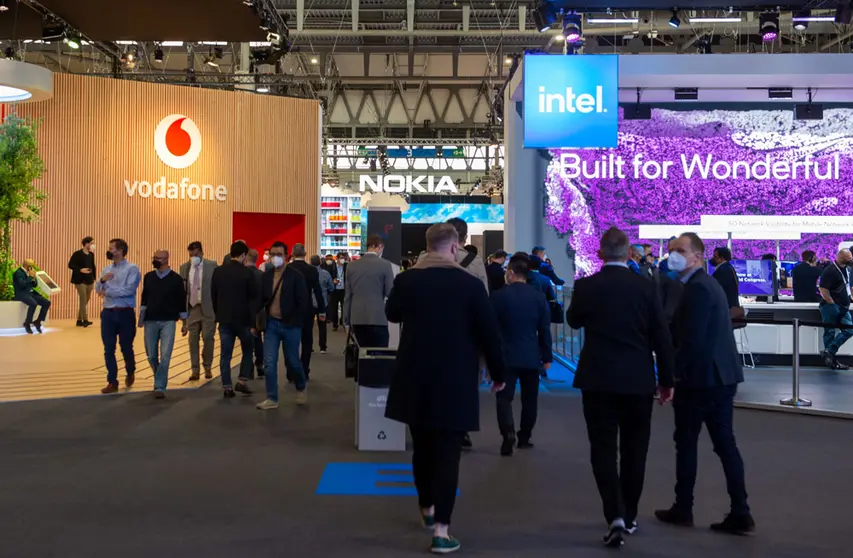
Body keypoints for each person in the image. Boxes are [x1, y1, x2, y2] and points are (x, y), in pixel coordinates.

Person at [385, 223, 506, 554]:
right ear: (455, 248)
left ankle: (426, 509)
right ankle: (442, 530)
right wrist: (498, 373)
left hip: (414, 374)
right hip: (455, 378)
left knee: (422, 448)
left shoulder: (407, 280)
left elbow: (391, 312)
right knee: (448, 455)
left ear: (427, 247)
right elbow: (489, 333)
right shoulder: (469, 285)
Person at [568, 227, 676, 548]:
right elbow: (661, 337)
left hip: (597, 378)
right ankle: (629, 516)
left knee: (602, 447)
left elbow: (573, 320)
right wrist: (667, 380)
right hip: (637, 380)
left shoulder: (586, 286)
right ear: (630, 253)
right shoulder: (646, 287)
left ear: (600, 254)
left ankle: (614, 514)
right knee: (635, 449)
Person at [655, 232, 754, 535]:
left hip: (701, 381)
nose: (673, 255)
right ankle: (740, 510)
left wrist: (670, 378)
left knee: (687, 443)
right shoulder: (706, 285)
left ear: (697, 256)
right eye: (672, 250)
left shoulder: (697, 288)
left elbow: (692, 341)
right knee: (724, 445)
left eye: (680, 250)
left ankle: (684, 507)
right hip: (721, 377)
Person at [490, 253, 552, 456]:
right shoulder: (538, 297)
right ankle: (525, 437)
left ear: (511, 273)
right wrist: (547, 356)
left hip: (505, 355)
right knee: (530, 398)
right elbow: (544, 329)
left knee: (504, 397)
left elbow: (491, 329)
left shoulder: (499, 296)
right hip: (530, 354)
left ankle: (507, 432)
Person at [256, 241, 310, 410]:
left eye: (279, 254)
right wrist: (255, 323)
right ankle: (271, 397)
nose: (275, 257)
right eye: (272, 254)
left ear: (287, 256)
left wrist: (297, 321)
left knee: (292, 360)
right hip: (271, 324)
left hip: (291, 325)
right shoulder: (266, 276)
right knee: (269, 362)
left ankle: (301, 386)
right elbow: (260, 300)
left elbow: (303, 301)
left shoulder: (296, 276)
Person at [139, 250, 187, 399]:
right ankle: (159, 376)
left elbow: (181, 301)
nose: (156, 261)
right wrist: (141, 318)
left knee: (165, 354)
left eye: (158, 258)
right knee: (151, 355)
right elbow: (144, 298)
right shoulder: (149, 277)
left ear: (166, 259)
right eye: (154, 258)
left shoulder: (176, 279)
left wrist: (185, 322)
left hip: (169, 320)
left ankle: (159, 385)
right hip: (150, 320)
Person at [210, 241, 256, 398]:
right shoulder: (248, 273)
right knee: (248, 349)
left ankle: (227, 386)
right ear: (243, 255)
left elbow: (213, 296)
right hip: (243, 320)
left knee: (225, 354)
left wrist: (219, 313)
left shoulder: (218, 272)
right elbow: (252, 299)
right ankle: (242, 380)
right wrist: (252, 322)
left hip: (224, 319)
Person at [97, 239, 142, 394]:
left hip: (125, 312)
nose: (109, 251)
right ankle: (112, 381)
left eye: (112, 248)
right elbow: (98, 288)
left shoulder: (132, 269)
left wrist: (108, 292)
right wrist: (102, 281)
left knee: (126, 346)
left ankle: (130, 370)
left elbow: (129, 290)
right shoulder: (106, 269)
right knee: (108, 348)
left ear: (121, 250)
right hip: (108, 313)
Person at [344, 235, 395, 348]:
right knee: (379, 356)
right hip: (378, 317)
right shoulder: (385, 265)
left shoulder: (351, 266)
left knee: (361, 356)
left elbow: (348, 296)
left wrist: (346, 320)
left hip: (357, 317)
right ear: (380, 247)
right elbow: (389, 292)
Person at [180, 242, 218, 381]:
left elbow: (217, 288)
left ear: (202, 252)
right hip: (192, 308)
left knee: (208, 338)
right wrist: (183, 316)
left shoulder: (212, 265)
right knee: (192, 340)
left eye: (196, 255)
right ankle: (194, 369)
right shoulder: (184, 268)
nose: (193, 257)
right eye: (191, 255)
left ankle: (207, 366)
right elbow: (183, 292)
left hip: (208, 308)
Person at [288, 244, 326, 379]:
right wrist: (322, 310)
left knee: (290, 341)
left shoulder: (287, 269)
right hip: (307, 309)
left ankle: (291, 371)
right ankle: (304, 370)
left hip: (290, 310)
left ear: (292, 253)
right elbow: (317, 291)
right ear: (305, 254)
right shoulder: (311, 270)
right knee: (307, 340)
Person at [818, 249, 853, 370]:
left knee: (849, 330)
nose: (850, 260)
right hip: (831, 306)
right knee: (830, 332)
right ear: (840, 257)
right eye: (847, 258)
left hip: (843, 306)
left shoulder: (846, 270)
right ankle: (831, 362)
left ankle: (829, 351)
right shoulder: (830, 270)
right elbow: (823, 289)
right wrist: (831, 304)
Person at [13, 258, 50, 334]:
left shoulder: (29, 272)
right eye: (31, 266)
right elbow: (22, 285)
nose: (33, 267)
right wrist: (30, 277)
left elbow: (35, 285)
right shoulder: (18, 273)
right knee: (33, 304)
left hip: (30, 293)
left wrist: (34, 277)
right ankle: (27, 323)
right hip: (21, 294)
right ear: (27, 266)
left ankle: (38, 321)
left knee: (47, 302)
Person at [245, 249, 266, 378]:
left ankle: (249, 368)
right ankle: (260, 364)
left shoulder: (242, 274)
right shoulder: (261, 275)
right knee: (258, 338)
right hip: (259, 311)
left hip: (245, 311)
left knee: (246, 341)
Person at [68, 236, 96, 327]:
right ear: (86, 244)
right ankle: (85, 319)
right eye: (91, 243)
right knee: (83, 299)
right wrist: (80, 269)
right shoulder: (77, 254)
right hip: (80, 280)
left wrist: (94, 277)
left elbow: (93, 266)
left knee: (85, 300)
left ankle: (79, 320)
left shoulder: (91, 255)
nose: (92, 245)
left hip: (89, 280)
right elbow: (70, 265)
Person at [311, 254, 334, 354]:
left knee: (308, 327)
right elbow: (332, 287)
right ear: (320, 262)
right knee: (322, 326)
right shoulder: (326, 274)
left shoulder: (306, 273)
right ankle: (322, 347)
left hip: (310, 303)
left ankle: (309, 346)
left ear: (310, 262)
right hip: (322, 303)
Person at [328, 252, 348, 331]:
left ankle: (343, 323)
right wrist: (333, 280)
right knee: (334, 308)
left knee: (344, 307)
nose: (342, 259)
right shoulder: (331, 267)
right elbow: (329, 277)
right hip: (335, 290)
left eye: (343, 258)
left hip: (344, 290)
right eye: (341, 258)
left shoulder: (346, 267)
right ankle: (335, 324)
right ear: (337, 258)